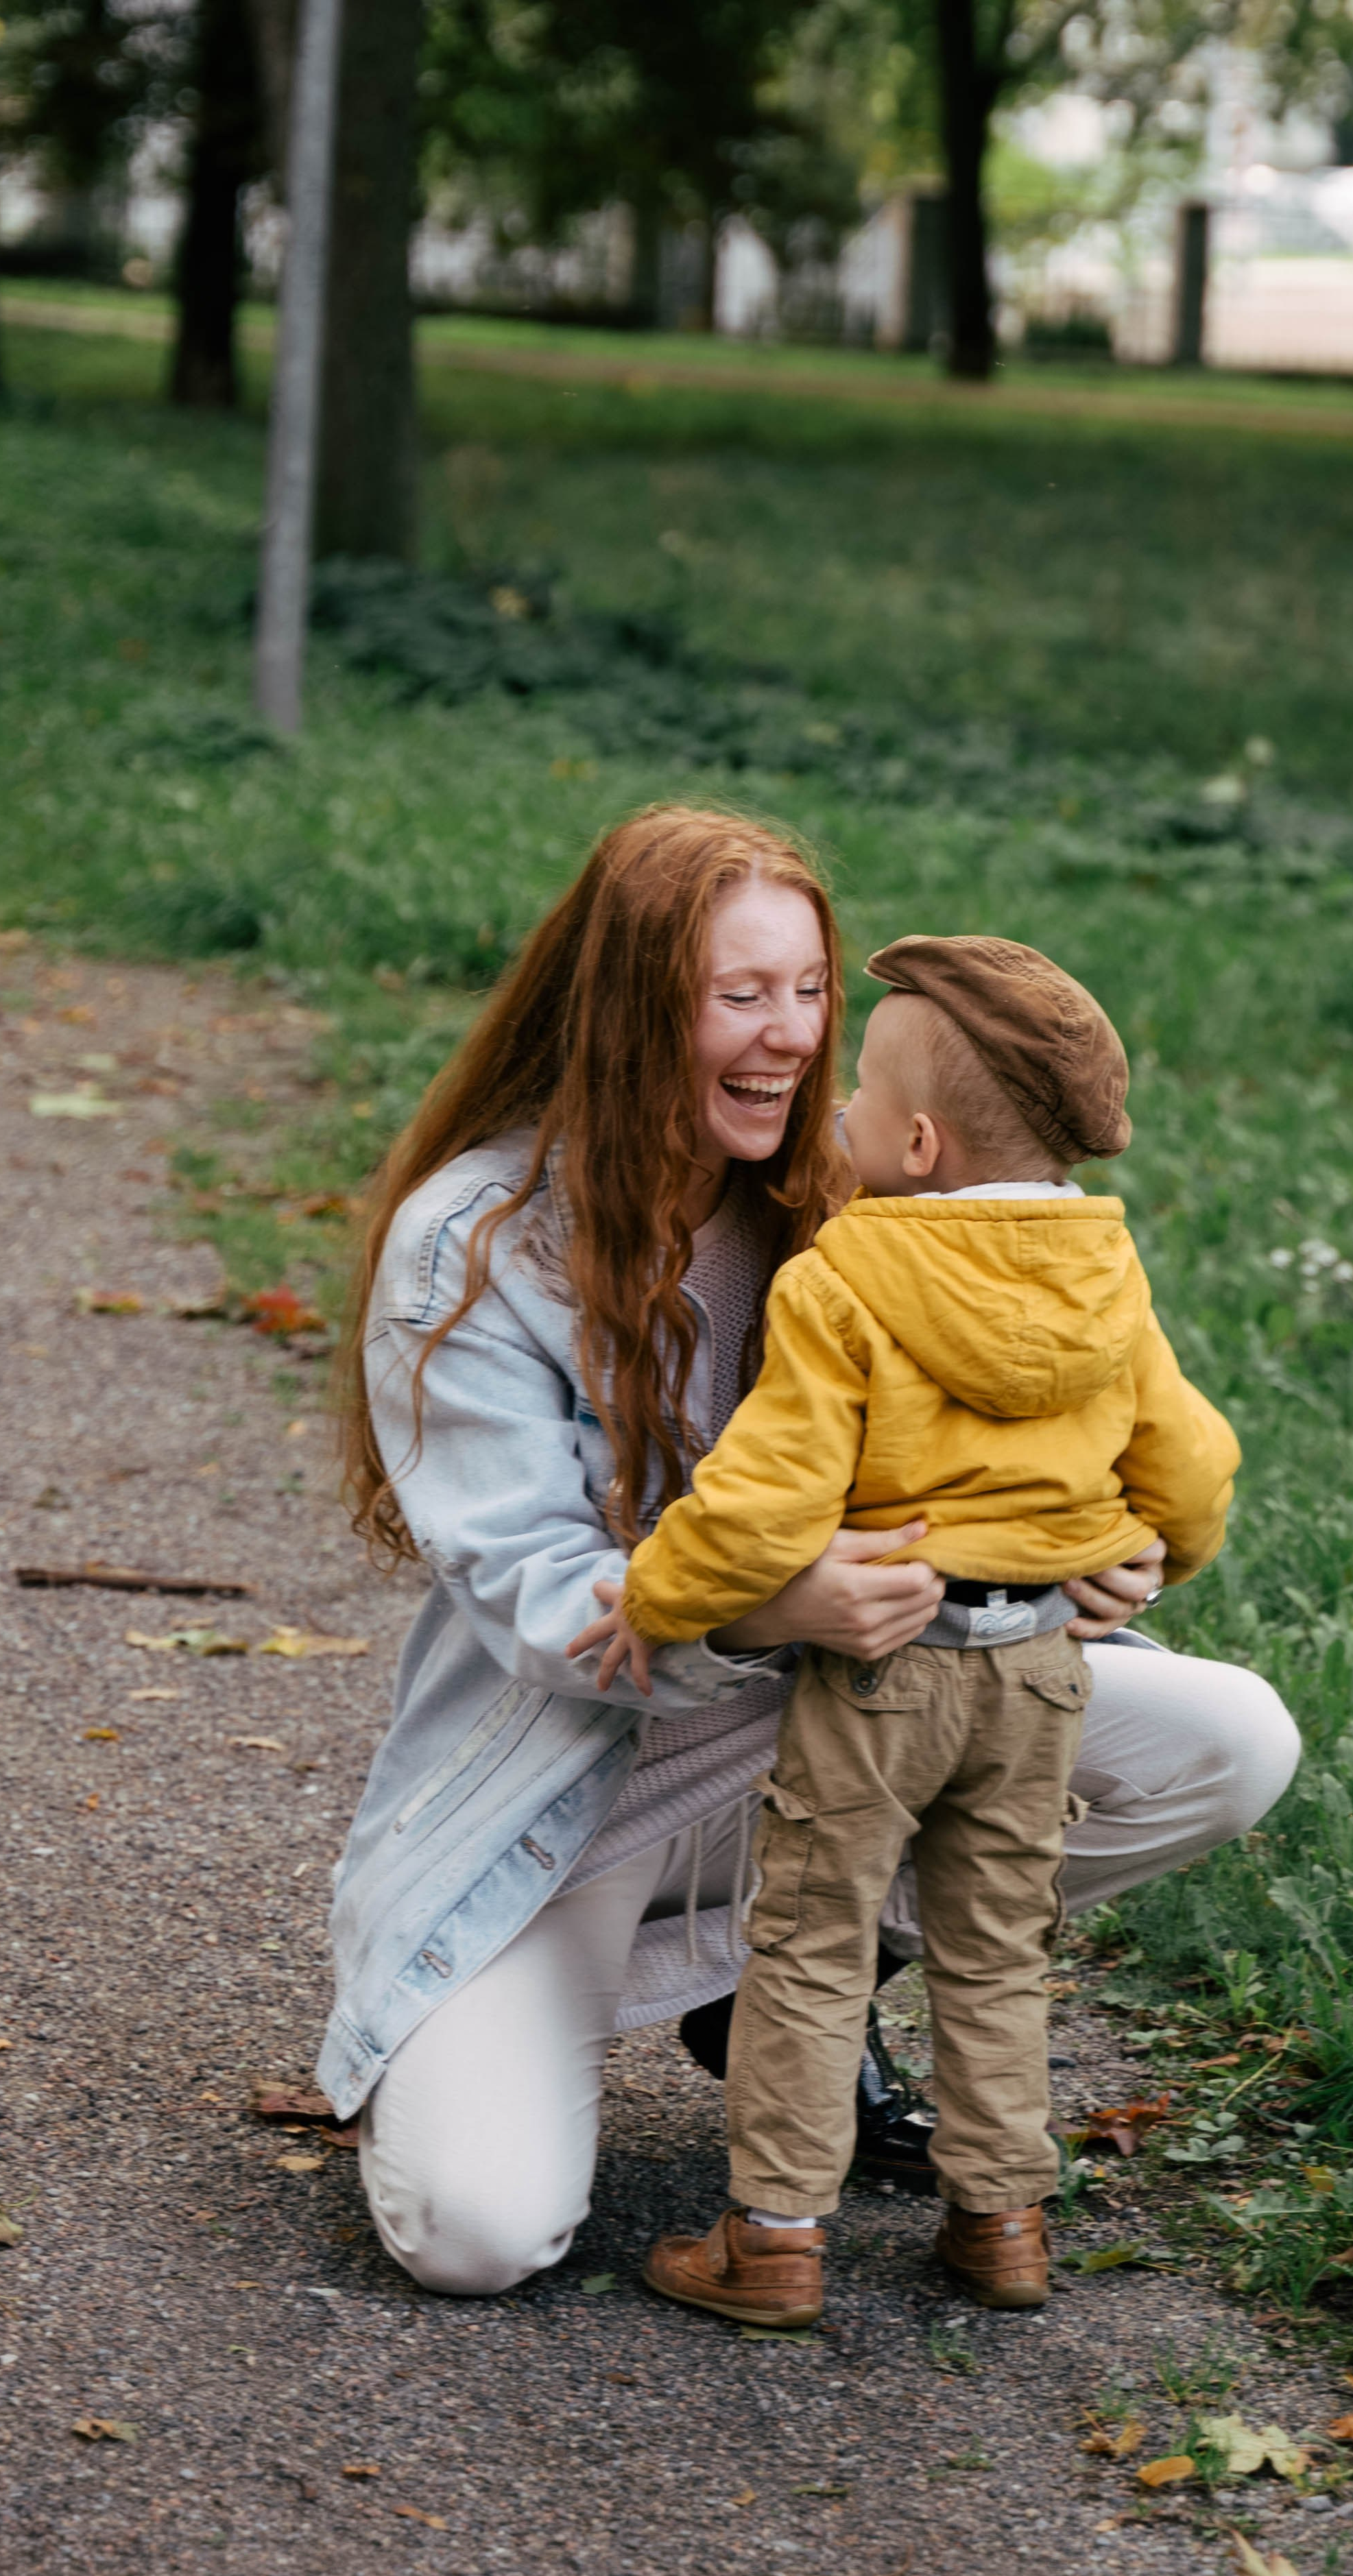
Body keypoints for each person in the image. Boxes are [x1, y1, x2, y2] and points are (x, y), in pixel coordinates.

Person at [323, 802, 1301, 2299]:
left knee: (1228, 1738)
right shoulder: (475, 1245)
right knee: (475, 2233)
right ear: (637, 1009)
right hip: (574, 1805)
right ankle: (592, 2006)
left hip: (851, 1747)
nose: (786, 1038)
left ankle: (797, 1980)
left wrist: (1098, 1559)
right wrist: (778, 1602)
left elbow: (1050, 1445)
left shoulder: (860, 1201)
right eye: (739, 996)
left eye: (808, 992)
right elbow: (532, 1596)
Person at [573, 935, 1240, 2328]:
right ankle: (1000, 2220)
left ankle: (773, 2239)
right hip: (1041, 1672)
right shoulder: (1105, 1278)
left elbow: (765, 1502)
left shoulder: (848, 1277)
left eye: (859, 1104)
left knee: (811, 1946)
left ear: (919, 1143)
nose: (837, 1124)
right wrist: (1150, 1551)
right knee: (995, 1948)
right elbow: (1189, 1465)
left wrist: (657, 1591)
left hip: (885, 1678)